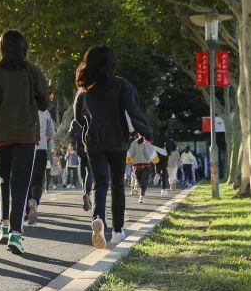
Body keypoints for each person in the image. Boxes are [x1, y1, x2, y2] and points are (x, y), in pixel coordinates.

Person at [0, 29, 50, 255]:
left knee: (5, 179)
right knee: (21, 183)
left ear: (2, 48)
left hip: (1, 133)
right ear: (24, 49)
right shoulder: (33, 71)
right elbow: (44, 100)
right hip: (26, 133)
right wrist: (38, 103)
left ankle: (4, 227)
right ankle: (16, 234)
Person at [73, 46, 153, 249]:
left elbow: (78, 117)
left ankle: (98, 218)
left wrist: (90, 127)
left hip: (94, 142)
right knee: (117, 185)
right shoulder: (122, 86)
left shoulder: (85, 89)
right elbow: (134, 111)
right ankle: (117, 231)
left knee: (99, 184)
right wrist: (146, 131)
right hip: (117, 141)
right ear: (111, 63)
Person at [27, 104, 56, 226]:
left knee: (26, 181)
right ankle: (35, 203)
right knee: (38, 181)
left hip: (25, 149)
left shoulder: (24, 107)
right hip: (41, 149)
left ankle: (25, 211)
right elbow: (51, 132)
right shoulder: (45, 111)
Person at [127, 135, 158, 204]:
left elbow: (129, 154)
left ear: (138, 134)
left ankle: (141, 196)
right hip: (146, 165)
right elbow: (152, 155)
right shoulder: (147, 143)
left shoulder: (134, 143)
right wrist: (155, 160)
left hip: (137, 166)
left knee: (140, 181)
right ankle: (142, 196)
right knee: (144, 181)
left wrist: (129, 160)